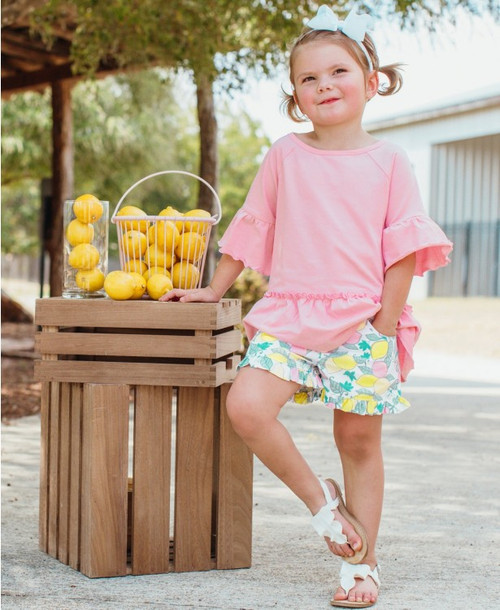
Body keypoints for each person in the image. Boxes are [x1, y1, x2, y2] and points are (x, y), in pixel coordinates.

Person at [161, 5, 452, 607]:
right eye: (309, 79)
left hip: (362, 321)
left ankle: (362, 565)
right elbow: (254, 224)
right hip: (289, 315)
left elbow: (403, 250)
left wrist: (383, 325)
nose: (324, 86)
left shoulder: (390, 160)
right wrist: (214, 290)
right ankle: (323, 505)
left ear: (371, 82)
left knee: (359, 442)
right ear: (295, 96)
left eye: (339, 72)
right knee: (246, 408)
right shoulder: (285, 154)